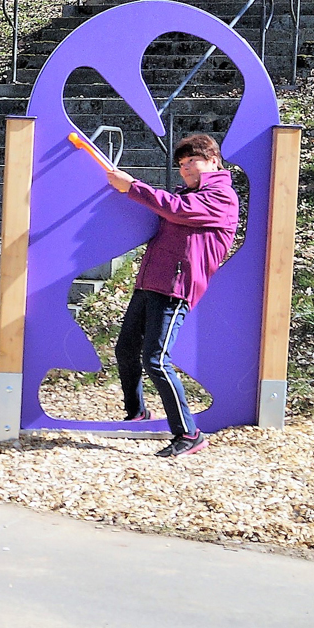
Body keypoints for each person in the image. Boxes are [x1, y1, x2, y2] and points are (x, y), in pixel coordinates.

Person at [104, 132, 239, 458]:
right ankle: (137, 414)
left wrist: (132, 187)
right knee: (126, 350)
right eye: (181, 164)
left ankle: (188, 434)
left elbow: (177, 210)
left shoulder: (222, 197)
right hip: (151, 282)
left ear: (213, 161)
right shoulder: (186, 194)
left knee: (156, 360)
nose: (186, 169)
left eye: (193, 161)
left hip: (176, 288)